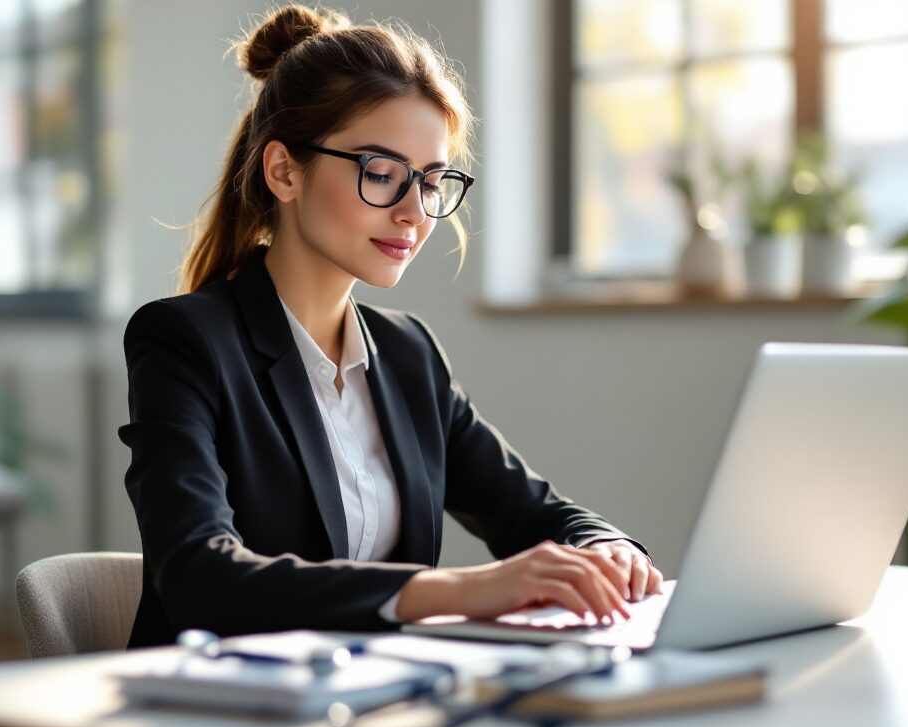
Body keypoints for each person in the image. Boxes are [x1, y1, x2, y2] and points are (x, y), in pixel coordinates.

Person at [118, 3, 663, 649]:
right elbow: (198, 574)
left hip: (373, 707)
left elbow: (534, 513)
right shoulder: (184, 340)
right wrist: (461, 591)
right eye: (381, 174)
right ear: (284, 171)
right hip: (217, 712)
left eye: (432, 181)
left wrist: (605, 545)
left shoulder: (406, 353)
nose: (414, 212)